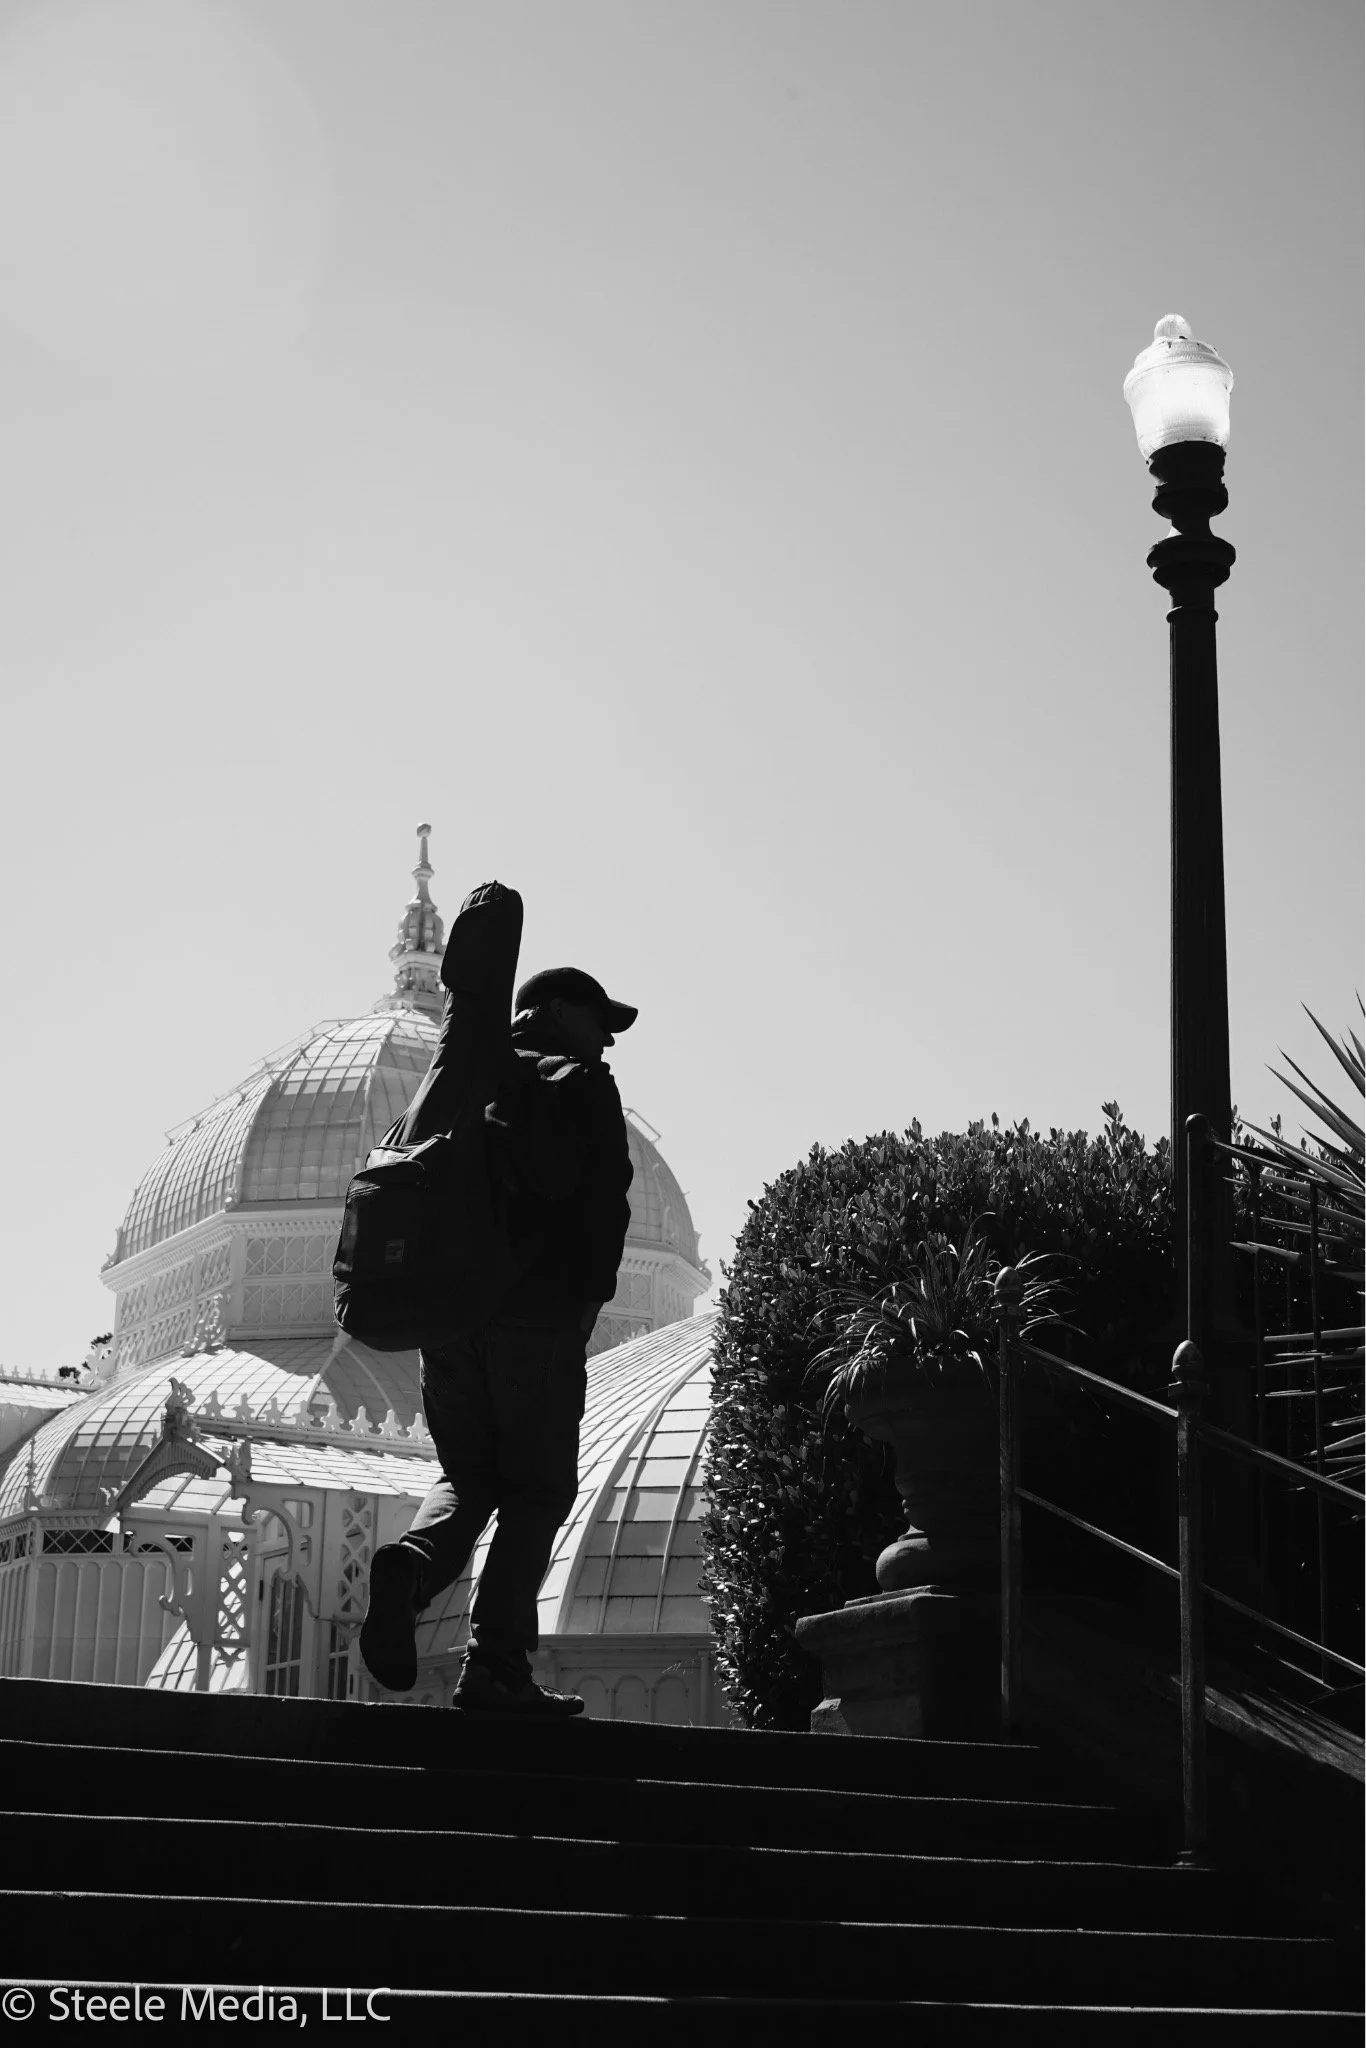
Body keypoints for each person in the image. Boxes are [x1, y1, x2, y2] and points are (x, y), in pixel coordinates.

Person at [359, 945, 635, 1718]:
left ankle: (412, 1568)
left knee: (467, 1478)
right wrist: (583, 1308)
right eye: (600, 1021)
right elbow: (604, 1208)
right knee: (536, 1490)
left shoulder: (454, 1080)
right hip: (534, 1318)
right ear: (556, 1014)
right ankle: (497, 1668)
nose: (607, 1039)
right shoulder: (577, 1083)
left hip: (446, 1321)